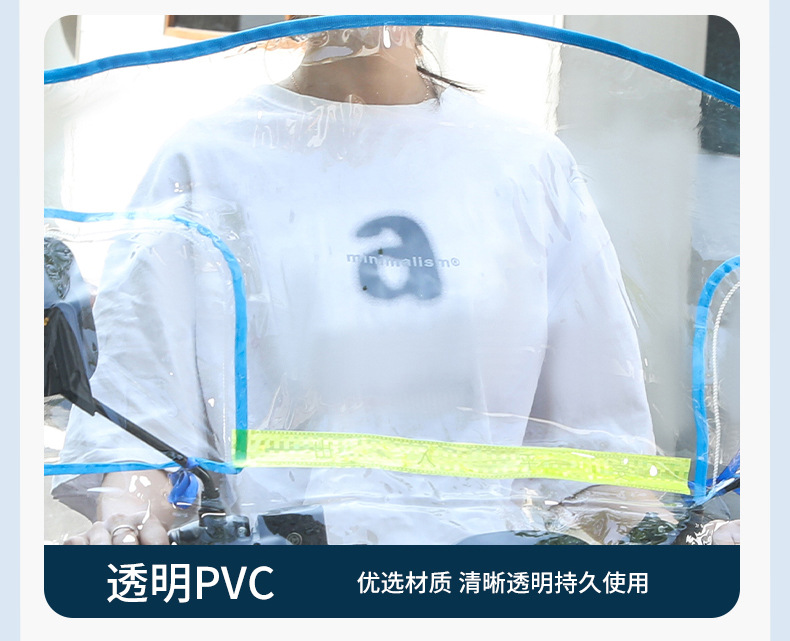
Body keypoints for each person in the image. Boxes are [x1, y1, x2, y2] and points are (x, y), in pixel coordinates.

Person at [56, 21, 681, 546]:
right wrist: (129, 525)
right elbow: (141, 419)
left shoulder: (523, 164)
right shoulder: (207, 158)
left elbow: (597, 456)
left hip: (474, 584)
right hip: (278, 575)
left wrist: (682, 538)